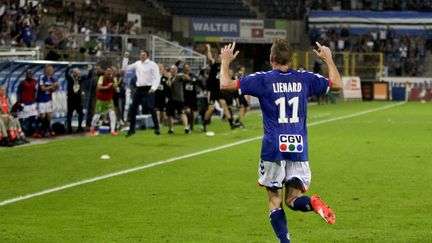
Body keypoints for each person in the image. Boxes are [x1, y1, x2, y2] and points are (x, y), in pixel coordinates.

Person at [219, 40, 342, 243]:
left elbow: (225, 85)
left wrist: (225, 62)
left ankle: (285, 241)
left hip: (273, 147)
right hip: (298, 147)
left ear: (271, 59)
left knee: (275, 200)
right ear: (291, 59)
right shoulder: (305, 78)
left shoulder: (263, 79)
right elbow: (336, 84)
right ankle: (311, 202)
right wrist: (328, 59)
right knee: (293, 200)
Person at [202, 44, 238, 132]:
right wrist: (209, 49)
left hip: (218, 90)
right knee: (211, 109)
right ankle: (204, 123)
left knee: (224, 104)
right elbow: (210, 58)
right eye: (220, 57)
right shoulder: (214, 65)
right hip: (211, 90)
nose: (220, 58)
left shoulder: (223, 67)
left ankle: (231, 123)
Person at [124, 50, 161, 137]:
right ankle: (131, 129)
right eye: (141, 55)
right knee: (133, 108)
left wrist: (154, 88)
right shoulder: (137, 63)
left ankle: (157, 127)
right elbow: (125, 68)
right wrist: (126, 58)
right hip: (139, 89)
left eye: (143, 55)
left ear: (147, 56)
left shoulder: (153, 64)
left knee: (151, 107)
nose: (142, 56)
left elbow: (157, 77)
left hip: (149, 88)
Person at [89, 67, 118, 136]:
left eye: (110, 73)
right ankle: (92, 129)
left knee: (112, 114)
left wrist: (115, 87)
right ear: (105, 73)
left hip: (109, 100)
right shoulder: (101, 78)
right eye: (108, 73)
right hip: (101, 100)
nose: (109, 74)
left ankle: (112, 131)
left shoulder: (114, 79)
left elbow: (115, 88)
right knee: (97, 116)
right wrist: (107, 87)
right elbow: (98, 87)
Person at [36, 64, 59, 137]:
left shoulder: (53, 78)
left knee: (49, 116)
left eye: (51, 69)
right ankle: (40, 129)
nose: (50, 71)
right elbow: (43, 89)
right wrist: (53, 85)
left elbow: (53, 90)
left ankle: (47, 130)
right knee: (42, 116)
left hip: (48, 99)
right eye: (49, 69)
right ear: (46, 70)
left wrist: (56, 87)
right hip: (41, 99)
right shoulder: (42, 77)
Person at [166, 65, 190, 134]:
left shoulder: (179, 77)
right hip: (171, 99)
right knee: (170, 115)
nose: (174, 70)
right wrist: (170, 78)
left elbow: (188, 78)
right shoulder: (169, 78)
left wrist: (183, 74)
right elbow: (169, 85)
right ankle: (171, 129)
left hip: (179, 98)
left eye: (175, 69)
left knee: (182, 113)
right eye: (172, 69)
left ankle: (186, 128)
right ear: (170, 71)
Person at [182, 63, 204, 131]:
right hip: (184, 97)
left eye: (188, 67)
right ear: (183, 68)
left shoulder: (193, 76)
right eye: (185, 67)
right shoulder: (181, 76)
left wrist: (204, 89)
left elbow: (199, 83)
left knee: (193, 112)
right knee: (187, 111)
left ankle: (191, 126)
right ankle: (188, 124)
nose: (186, 68)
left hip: (193, 97)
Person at [16, 69, 38, 136]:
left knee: (32, 118)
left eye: (31, 73)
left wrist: (36, 100)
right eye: (28, 73)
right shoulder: (22, 82)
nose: (30, 75)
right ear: (26, 74)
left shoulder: (35, 82)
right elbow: (18, 92)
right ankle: (23, 132)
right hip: (24, 103)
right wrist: (19, 102)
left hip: (32, 103)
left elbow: (36, 91)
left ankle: (32, 131)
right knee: (23, 118)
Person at [65, 65, 84, 133]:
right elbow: (66, 74)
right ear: (74, 72)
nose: (79, 73)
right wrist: (68, 67)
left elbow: (88, 77)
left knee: (81, 113)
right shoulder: (70, 78)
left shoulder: (79, 78)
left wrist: (90, 69)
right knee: (69, 114)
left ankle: (79, 127)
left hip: (77, 99)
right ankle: (69, 128)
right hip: (71, 99)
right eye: (78, 72)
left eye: (79, 72)